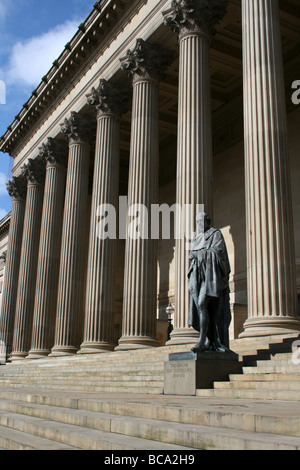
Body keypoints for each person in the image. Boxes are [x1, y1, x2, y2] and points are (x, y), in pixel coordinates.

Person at [188, 213, 231, 353]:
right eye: (197, 221)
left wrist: (199, 254)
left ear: (207, 221)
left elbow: (218, 252)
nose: (199, 224)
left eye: (201, 221)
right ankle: (207, 340)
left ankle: (204, 340)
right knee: (200, 305)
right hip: (200, 278)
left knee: (202, 304)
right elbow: (191, 257)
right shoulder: (196, 239)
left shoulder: (215, 234)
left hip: (212, 278)